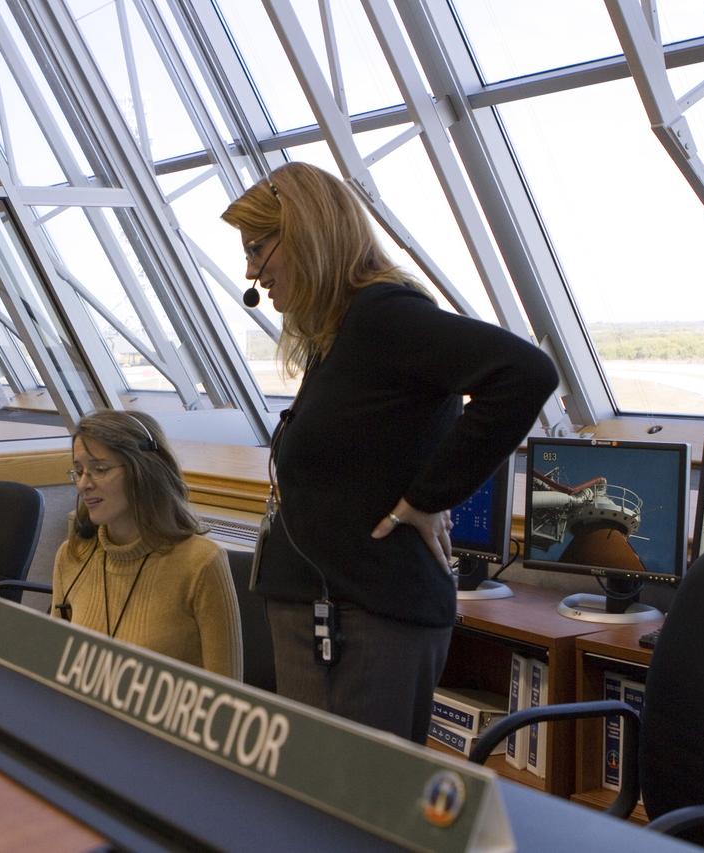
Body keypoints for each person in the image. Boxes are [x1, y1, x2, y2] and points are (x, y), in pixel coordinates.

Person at [222, 162, 559, 740]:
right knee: (319, 812)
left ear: (306, 233)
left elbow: (525, 372)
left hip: (362, 617)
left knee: (352, 812)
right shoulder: (342, 333)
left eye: (258, 249)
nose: (252, 271)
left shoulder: (385, 317)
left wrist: (429, 497)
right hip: (323, 608)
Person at [51, 410, 243, 679]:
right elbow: (55, 670)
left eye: (100, 470)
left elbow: (227, 702)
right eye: (79, 471)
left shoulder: (201, 563)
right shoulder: (72, 556)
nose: (83, 484)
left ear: (143, 472)